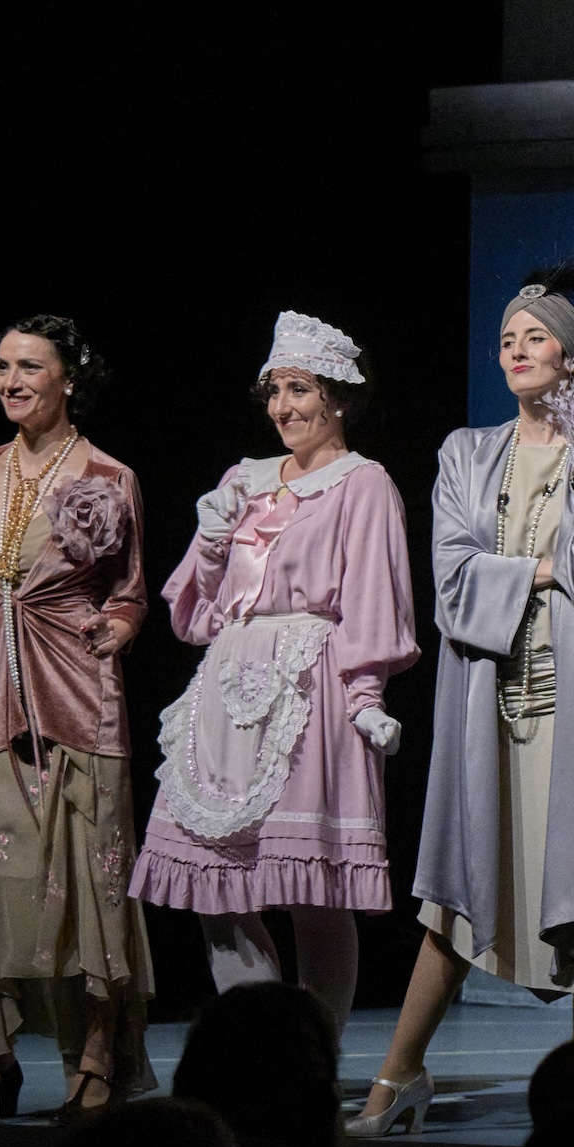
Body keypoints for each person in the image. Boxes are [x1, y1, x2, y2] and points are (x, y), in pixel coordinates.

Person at [359, 258, 574, 1133]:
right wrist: (544, 569)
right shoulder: (465, 452)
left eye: (536, 337)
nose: (517, 350)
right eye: (507, 339)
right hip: (487, 697)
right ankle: (399, 1076)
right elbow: (454, 580)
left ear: (571, 358)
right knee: (461, 888)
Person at [131, 313, 418, 1032]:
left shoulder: (364, 484)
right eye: (274, 391)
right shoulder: (244, 480)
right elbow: (195, 613)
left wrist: (366, 694)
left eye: (298, 389)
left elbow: (373, 601)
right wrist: (210, 538)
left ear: (338, 398)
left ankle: (310, 1060)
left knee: (311, 891)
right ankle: (259, 1045)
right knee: (214, 885)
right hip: (229, 684)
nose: (282, 407)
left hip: (311, 687)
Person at [0, 315, 156, 1122]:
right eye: (1, 366)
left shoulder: (109, 474)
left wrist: (124, 627)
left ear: (69, 378)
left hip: (77, 688)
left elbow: (132, 591)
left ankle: (98, 1051)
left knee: (87, 870)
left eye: (29, 366)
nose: (11, 380)